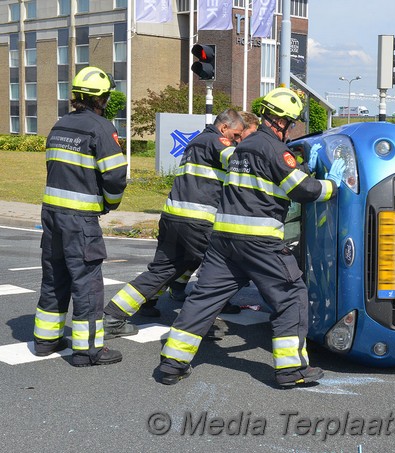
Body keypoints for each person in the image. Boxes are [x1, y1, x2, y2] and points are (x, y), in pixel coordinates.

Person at [157, 87, 345, 387]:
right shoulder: (273, 148)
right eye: (292, 123)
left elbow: (265, 182)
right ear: (282, 121)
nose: (292, 129)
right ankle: (291, 370)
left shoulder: (241, 147)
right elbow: (303, 191)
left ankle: (172, 362)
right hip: (259, 241)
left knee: (204, 298)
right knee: (291, 295)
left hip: (223, 241)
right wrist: (333, 185)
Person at [102, 110, 246, 337]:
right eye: (236, 135)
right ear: (224, 128)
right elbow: (241, 163)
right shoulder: (217, 141)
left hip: (172, 218)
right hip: (197, 221)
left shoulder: (195, 143)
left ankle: (114, 315)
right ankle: (196, 324)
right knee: (214, 273)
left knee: (162, 270)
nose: (237, 140)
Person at [32, 66, 127, 366]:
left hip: (51, 216)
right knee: (86, 282)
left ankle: (46, 340)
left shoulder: (59, 126)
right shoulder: (100, 127)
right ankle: (87, 351)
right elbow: (114, 176)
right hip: (80, 220)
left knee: (54, 277)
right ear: (100, 99)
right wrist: (109, 204)